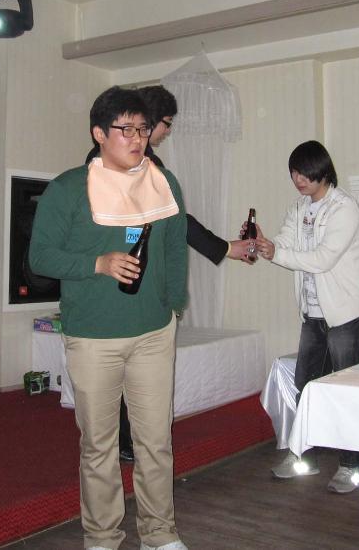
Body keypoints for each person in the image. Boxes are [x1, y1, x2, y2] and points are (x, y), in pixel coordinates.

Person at [30, 87, 189, 550]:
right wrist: (97, 263)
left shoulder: (164, 182)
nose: (137, 138)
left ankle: (160, 533)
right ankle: (101, 537)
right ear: (99, 133)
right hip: (93, 336)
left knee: (155, 441)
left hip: (154, 333)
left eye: (143, 129)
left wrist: (173, 305)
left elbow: (175, 249)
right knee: (99, 445)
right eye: (126, 129)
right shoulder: (68, 188)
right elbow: (40, 257)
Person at [85, 85, 254, 463]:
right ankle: (123, 441)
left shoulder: (143, 164)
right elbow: (178, 220)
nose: (165, 132)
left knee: (135, 368)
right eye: (165, 123)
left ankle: (131, 439)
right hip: (117, 279)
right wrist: (225, 248)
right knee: (122, 369)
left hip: (138, 280)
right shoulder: (115, 164)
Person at [253, 140, 359, 494]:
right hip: (313, 314)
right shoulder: (300, 207)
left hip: (346, 315)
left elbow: (322, 259)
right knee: (306, 385)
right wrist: (266, 245)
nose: (298, 180)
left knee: (347, 390)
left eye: (304, 173)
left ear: (322, 170)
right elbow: (286, 242)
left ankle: (352, 466)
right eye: (294, 173)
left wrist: (277, 253)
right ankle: (304, 457)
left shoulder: (344, 208)